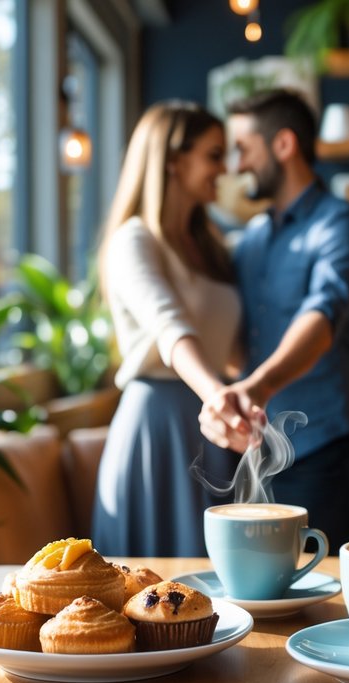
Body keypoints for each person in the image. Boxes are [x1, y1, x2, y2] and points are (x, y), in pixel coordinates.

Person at [199, 88, 349, 554]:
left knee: (318, 598)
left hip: (323, 456)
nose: (236, 166)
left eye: (244, 148)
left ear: (283, 145)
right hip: (256, 454)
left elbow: (321, 318)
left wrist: (254, 387)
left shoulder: (341, 224)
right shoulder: (253, 238)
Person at [91, 101, 241, 557]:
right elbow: (170, 328)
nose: (225, 167)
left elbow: (231, 348)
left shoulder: (212, 247)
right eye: (215, 154)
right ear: (174, 160)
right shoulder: (134, 240)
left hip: (210, 424)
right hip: (157, 428)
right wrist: (219, 395)